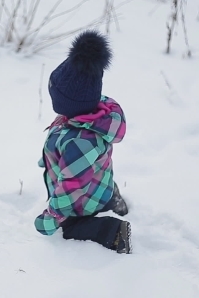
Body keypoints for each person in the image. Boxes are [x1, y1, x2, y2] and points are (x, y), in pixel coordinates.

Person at [34, 30, 132, 254]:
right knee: (96, 180)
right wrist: (48, 159)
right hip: (98, 183)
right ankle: (110, 198)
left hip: (81, 200)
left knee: (70, 228)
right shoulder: (90, 114)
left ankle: (112, 232)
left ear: (68, 103)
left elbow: (71, 187)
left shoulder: (80, 143)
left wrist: (53, 216)